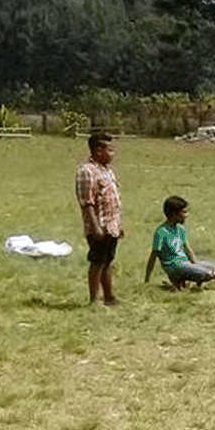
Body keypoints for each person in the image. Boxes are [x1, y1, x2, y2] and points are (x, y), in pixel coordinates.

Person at [75, 131, 123, 305]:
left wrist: (118, 224)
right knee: (97, 262)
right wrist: (95, 227)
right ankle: (94, 299)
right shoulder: (87, 171)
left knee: (108, 261)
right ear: (98, 150)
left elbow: (113, 199)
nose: (113, 153)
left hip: (112, 225)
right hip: (100, 225)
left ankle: (109, 296)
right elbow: (87, 202)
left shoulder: (108, 171)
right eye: (109, 149)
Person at [144, 196, 215, 290]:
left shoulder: (180, 229)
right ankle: (179, 280)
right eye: (184, 212)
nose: (186, 215)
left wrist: (195, 264)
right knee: (207, 273)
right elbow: (153, 256)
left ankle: (187, 283)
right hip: (174, 266)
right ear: (173, 214)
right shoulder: (161, 232)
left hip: (185, 262)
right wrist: (147, 280)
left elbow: (187, 249)